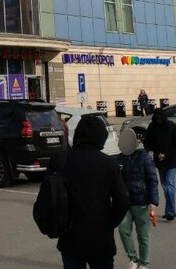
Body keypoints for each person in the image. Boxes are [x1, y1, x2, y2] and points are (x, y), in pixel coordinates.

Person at [54, 113, 130, 269]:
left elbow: (50, 195)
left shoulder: (61, 159)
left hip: (69, 234)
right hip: (100, 235)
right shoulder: (108, 164)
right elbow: (122, 201)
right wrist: (109, 222)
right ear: (101, 137)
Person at [116, 128, 158, 269]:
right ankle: (133, 258)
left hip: (141, 201)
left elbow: (152, 180)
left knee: (143, 235)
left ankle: (144, 263)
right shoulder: (119, 158)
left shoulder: (144, 157)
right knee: (123, 230)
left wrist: (153, 202)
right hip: (125, 202)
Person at [142, 107, 176, 221]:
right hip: (159, 162)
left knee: (169, 185)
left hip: (171, 161)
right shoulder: (152, 127)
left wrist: (166, 155)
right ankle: (170, 209)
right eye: (157, 119)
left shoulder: (172, 126)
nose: (159, 121)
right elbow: (147, 142)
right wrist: (145, 152)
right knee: (165, 186)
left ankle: (170, 212)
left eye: (160, 119)